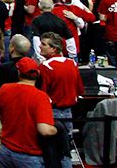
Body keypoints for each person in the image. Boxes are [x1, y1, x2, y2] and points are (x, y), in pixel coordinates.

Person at [0, 58, 58, 168]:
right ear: (37, 74)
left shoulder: (4, 89)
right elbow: (45, 130)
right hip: (29, 156)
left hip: (6, 151)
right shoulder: (40, 97)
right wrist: (57, 129)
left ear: (19, 72)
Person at [37, 33, 84, 168]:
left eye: (44, 44)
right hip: (68, 114)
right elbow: (80, 89)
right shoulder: (72, 63)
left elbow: (42, 94)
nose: (40, 46)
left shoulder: (45, 66)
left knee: (50, 151)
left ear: (54, 49)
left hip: (51, 114)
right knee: (66, 150)